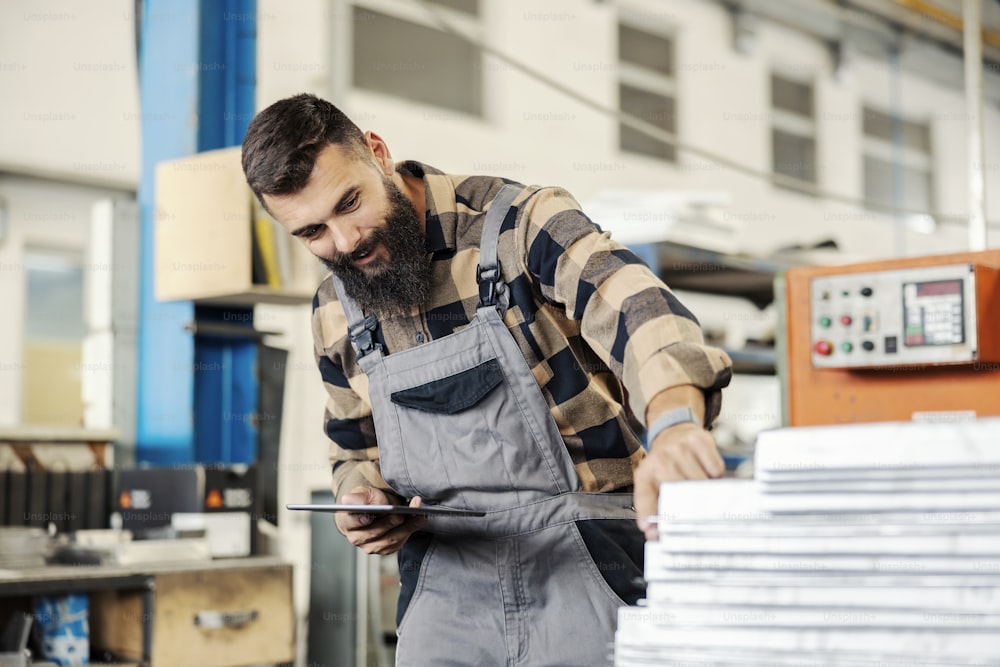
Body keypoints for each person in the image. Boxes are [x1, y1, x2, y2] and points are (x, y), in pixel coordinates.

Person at [242, 92, 732, 667]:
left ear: (377, 153)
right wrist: (363, 499)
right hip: (445, 597)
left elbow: (640, 312)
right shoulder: (334, 308)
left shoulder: (521, 226)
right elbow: (353, 445)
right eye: (311, 233)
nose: (346, 241)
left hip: (588, 568)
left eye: (350, 202)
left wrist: (673, 425)